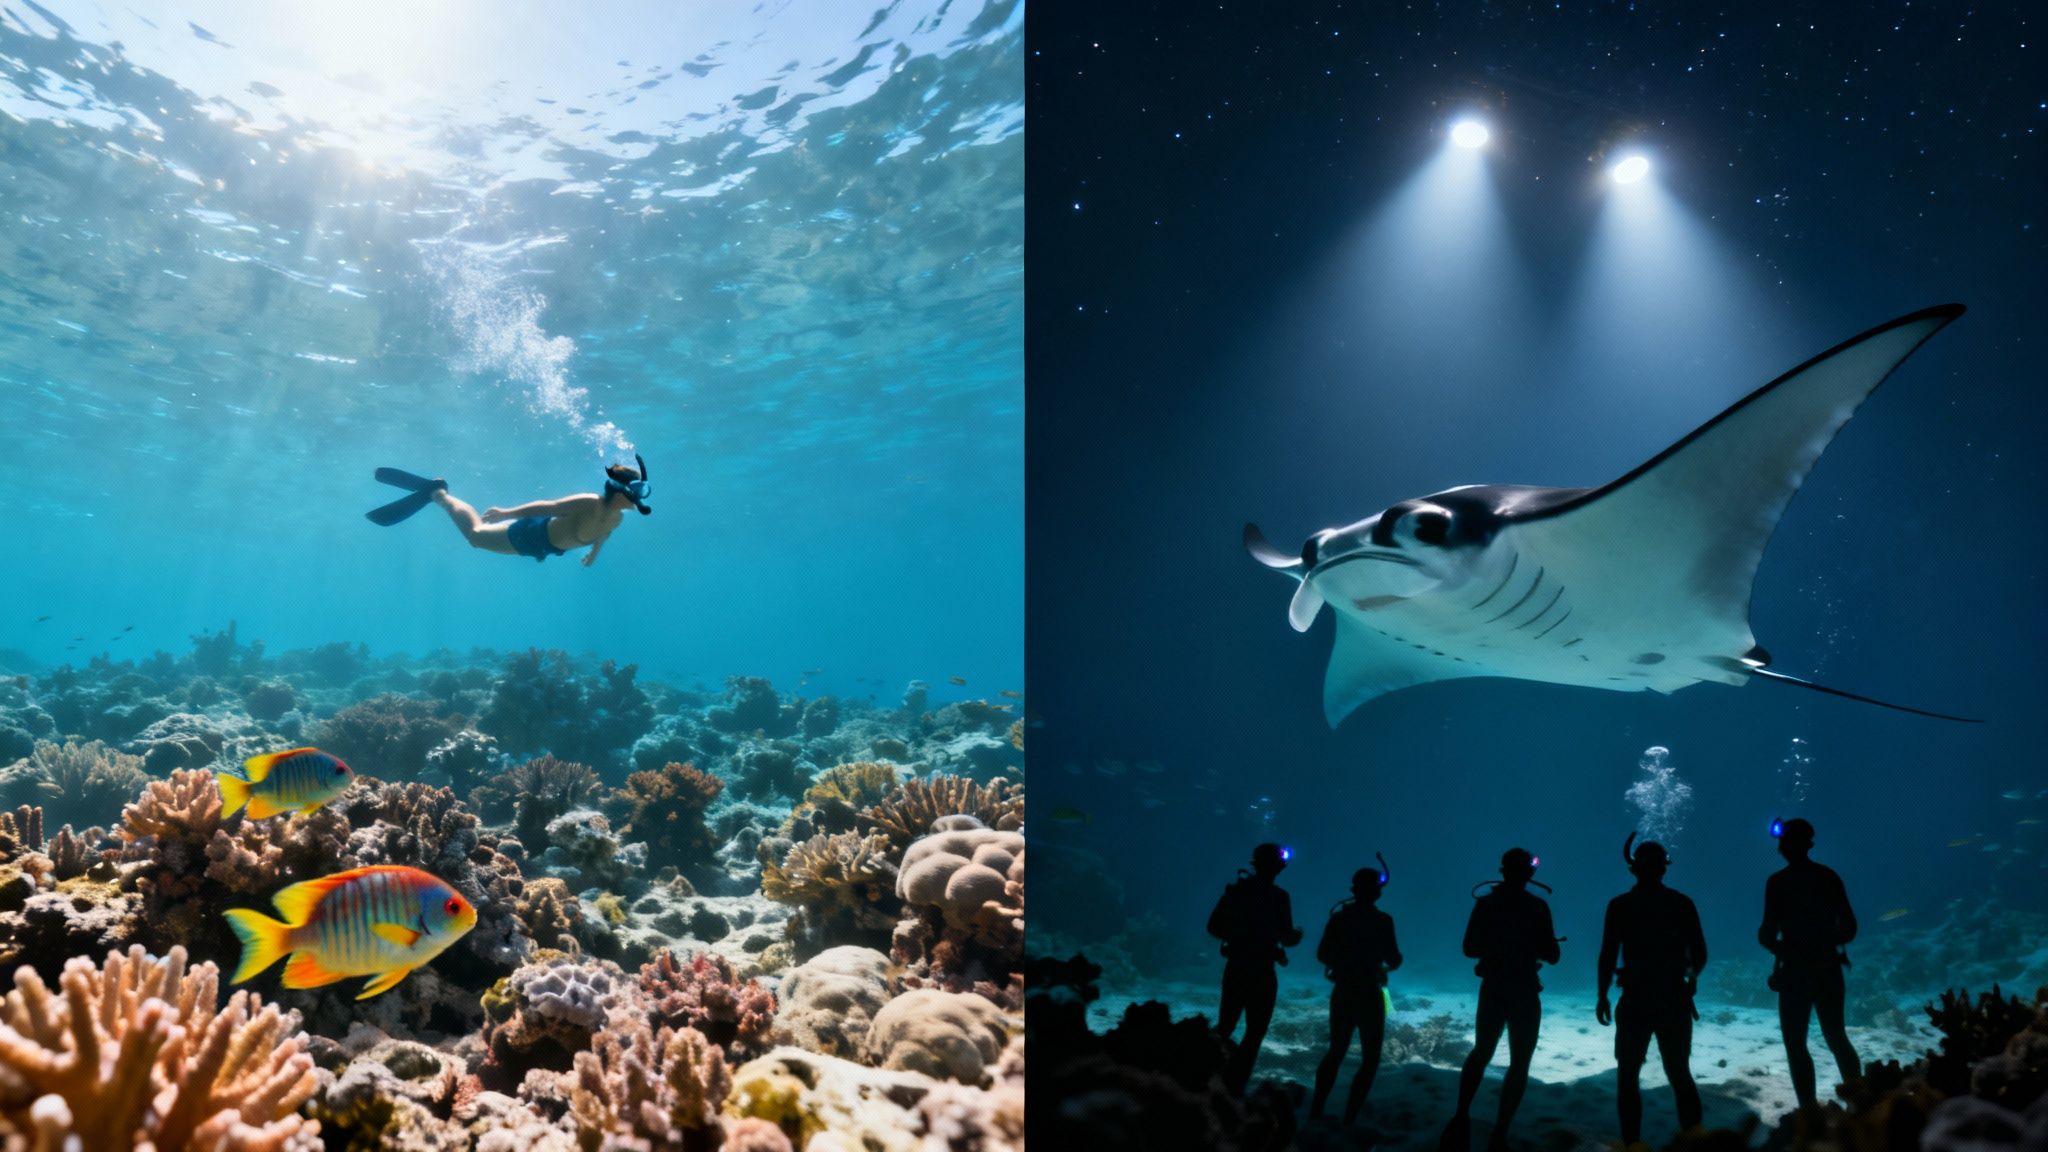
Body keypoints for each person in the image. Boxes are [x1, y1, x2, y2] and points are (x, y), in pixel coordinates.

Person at [1444, 848, 1560, 1152]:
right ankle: (1500, 1132)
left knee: (1482, 1051)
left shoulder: (1486, 904)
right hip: (1523, 989)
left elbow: (1469, 948)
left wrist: (1496, 949)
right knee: (1520, 1063)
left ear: (1502, 870)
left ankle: (1460, 1116)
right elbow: (1553, 955)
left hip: (1493, 987)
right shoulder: (1538, 907)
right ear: (1530, 873)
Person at [1597, 834, 1707, 1148]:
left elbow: (1608, 954)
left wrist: (1602, 994)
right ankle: (1695, 1142)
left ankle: (1632, 1144)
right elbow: (1699, 952)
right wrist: (1691, 977)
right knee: (1679, 1073)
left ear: (1633, 869)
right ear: (1664, 869)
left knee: (1628, 1076)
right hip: (1674, 998)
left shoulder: (1620, 906)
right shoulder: (1681, 903)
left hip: (1635, 1000)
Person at [366, 457, 652, 565]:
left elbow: (604, 534)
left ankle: (435, 493)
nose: (640, 498)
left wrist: (593, 554)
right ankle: (438, 493)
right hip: (532, 533)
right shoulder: (590, 502)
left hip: (542, 547)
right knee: (476, 535)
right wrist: (506, 513)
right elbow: (548, 507)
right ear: (620, 490)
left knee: (477, 540)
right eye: (637, 490)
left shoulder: (616, 519)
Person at [1758, 817, 1861, 1111]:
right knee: (1836, 1037)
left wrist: (1787, 949)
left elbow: (1766, 933)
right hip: (1828, 968)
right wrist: (1823, 942)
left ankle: (1808, 1112)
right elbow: (1850, 928)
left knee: (1795, 1043)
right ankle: (1860, 1105)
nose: (1780, 846)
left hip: (1793, 973)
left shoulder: (1777, 883)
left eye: (1784, 841)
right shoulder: (1828, 877)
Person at [1310, 859, 1403, 1127]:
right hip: (1369, 993)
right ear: (1377, 892)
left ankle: (1316, 1111)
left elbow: (1322, 954)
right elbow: (1394, 959)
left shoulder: (1339, 919)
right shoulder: (1383, 920)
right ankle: (1349, 1119)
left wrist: (1343, 964)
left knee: (1335, 1051)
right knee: (1370, 1059)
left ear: (1353, 889)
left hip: (1343, 992)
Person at [1207, 841, 1304, 1094]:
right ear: (1278, 866)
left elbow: (1213, 927)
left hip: (1236, 966)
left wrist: (1240, 936)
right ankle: (1234, 1087)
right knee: (1255, 1032)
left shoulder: (1236, 891)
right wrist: (1295, 936)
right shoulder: (1280, 897)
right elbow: (1287, 937)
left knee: (1225, 1025)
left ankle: (1208, 1077)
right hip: (1262, 970)